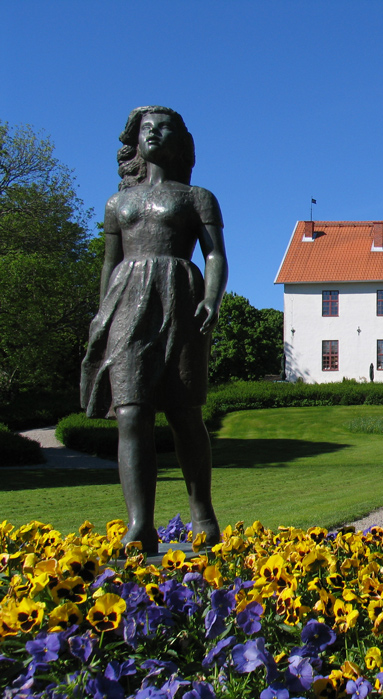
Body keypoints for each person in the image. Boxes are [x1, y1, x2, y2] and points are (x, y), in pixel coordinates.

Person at [81, 106, 228, 554]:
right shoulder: (117, 203)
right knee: (130, 413)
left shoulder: (196, 197)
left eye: (163, 129)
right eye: (147, 129)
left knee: (185, 413)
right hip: (127, 303)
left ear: (181, 142)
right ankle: (139, 524)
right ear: (135, 141)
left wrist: (211, 299)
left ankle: (202, 514)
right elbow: (110, 264)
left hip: (180, 299)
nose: (154, 134)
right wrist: (101, 317)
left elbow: (215, 255)